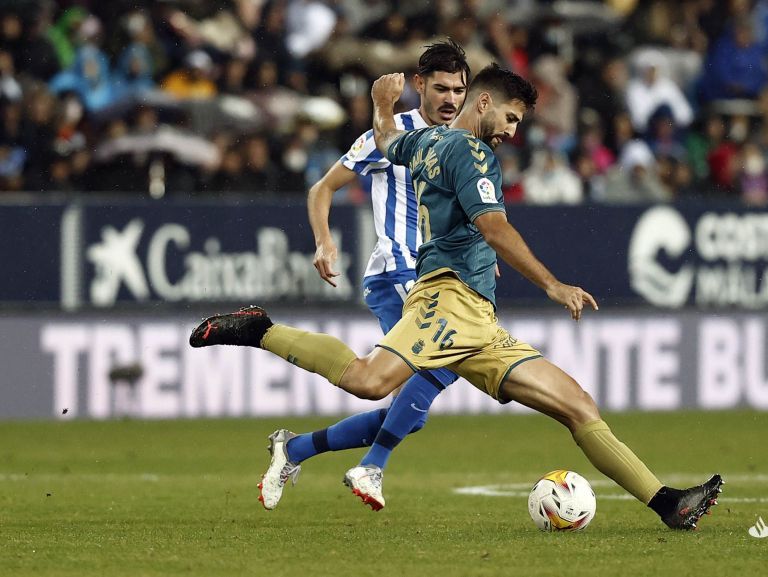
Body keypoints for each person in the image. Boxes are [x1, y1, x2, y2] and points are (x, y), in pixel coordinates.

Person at [190, 64, 722, 530]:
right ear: (485, 102)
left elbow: (384, 141)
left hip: (480, 323)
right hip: (446, 301)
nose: (514, 132)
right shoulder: (472, 154)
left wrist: (381, 105)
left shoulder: (426, 142)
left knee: (578, 406)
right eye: (511, 118)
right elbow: (495, 229)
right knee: (368, 382)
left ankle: (668, 503)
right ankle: (259, 329)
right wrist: (553, 285)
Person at [193, 40, 469, 512]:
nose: (450, 100)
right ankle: (373, 464)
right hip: (399, 270)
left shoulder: (463, 139)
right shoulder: (390, 133)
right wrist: (324, 240)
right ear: (419, 85)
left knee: (412, 409)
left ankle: (294, 449)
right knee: (440, 364)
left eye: (459, 90)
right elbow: (322, 188)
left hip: (440, 276)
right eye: (441, 88)